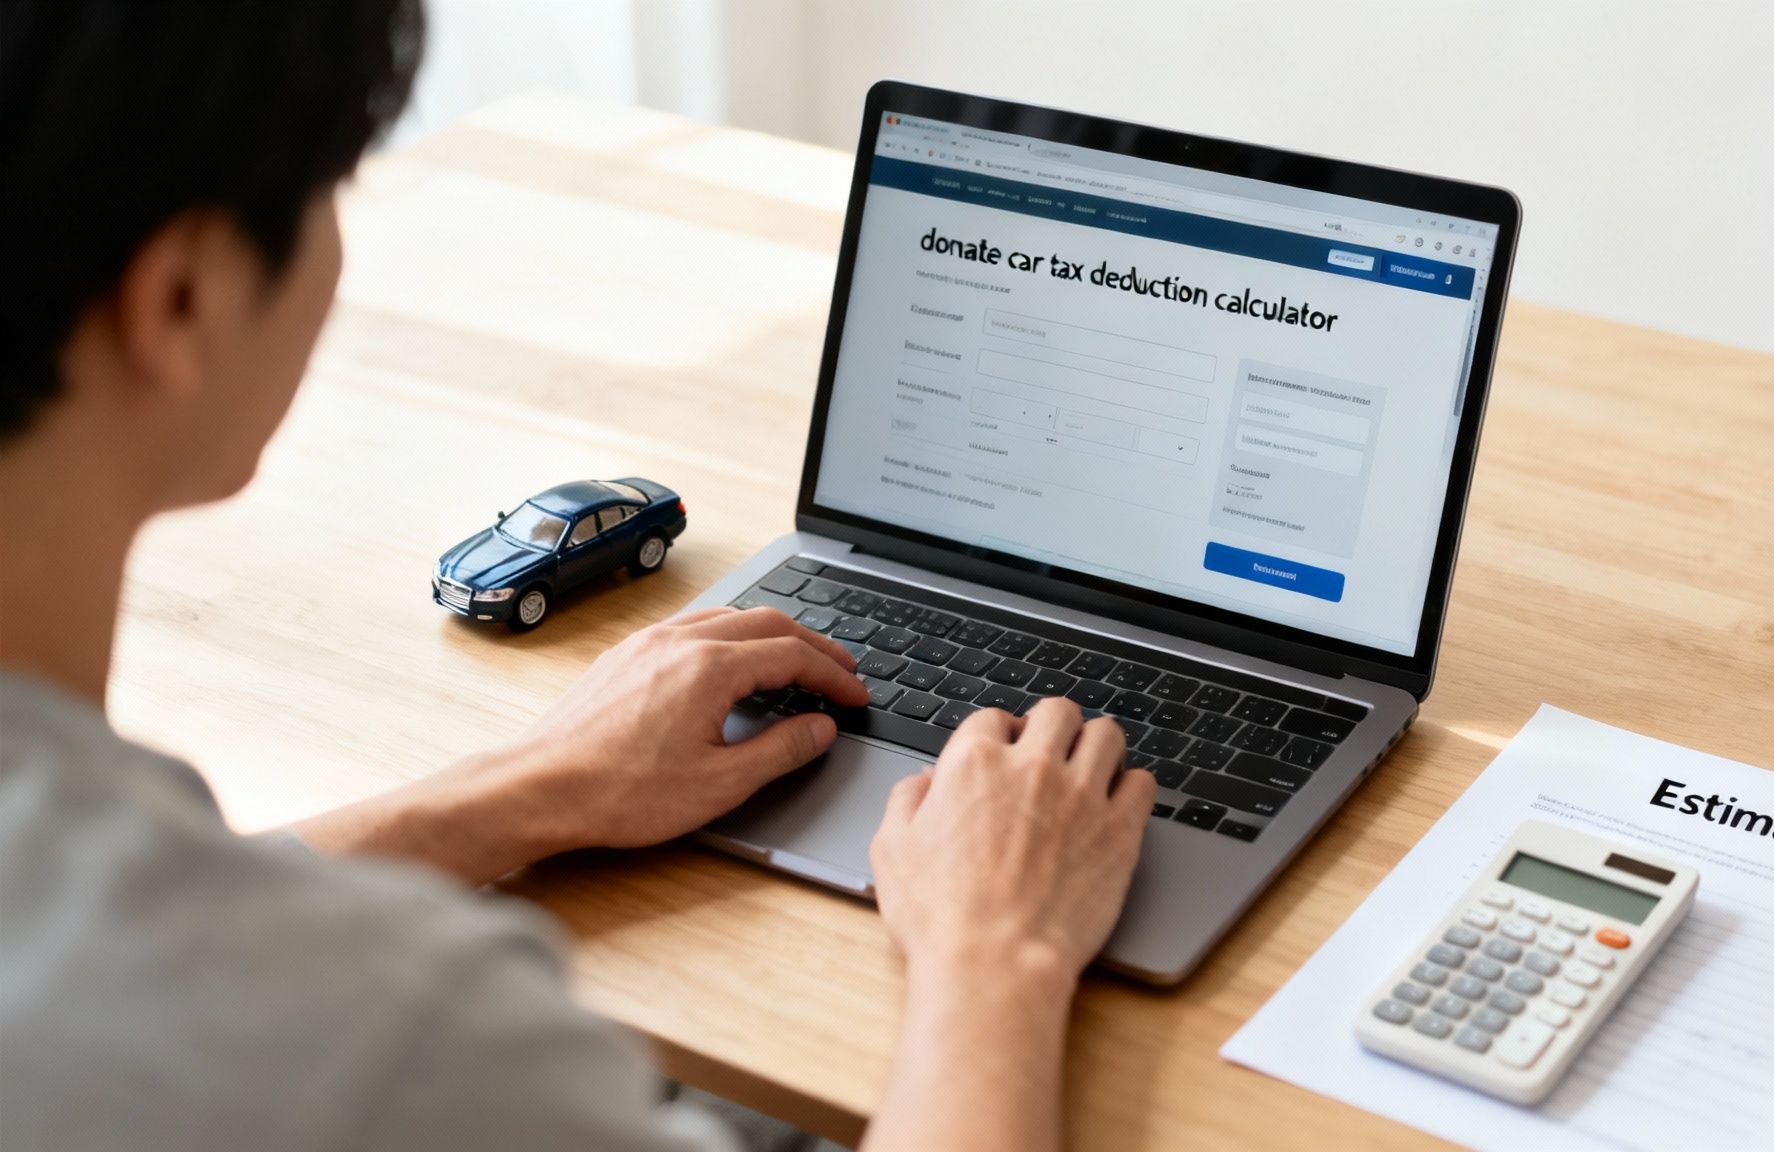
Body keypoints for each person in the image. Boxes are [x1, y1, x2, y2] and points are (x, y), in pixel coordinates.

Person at [0, 3, 1156, 1150]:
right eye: (329, 193)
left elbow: (165, 924)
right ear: (183, 296)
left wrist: (530, 785)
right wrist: (995, 949)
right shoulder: (392, 1032)